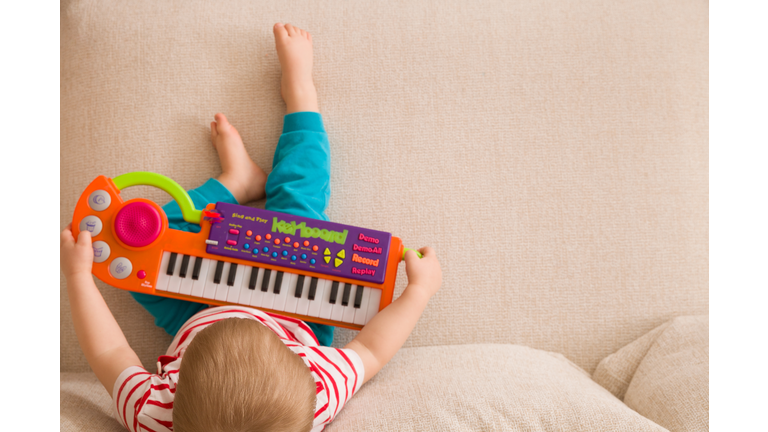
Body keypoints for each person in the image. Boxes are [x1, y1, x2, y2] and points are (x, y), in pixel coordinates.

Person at [61, 23, 442, 432]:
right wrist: (418, 291)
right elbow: (370, 349)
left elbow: (110, 351)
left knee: (142, 245)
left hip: (198, 310)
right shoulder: (319, 394)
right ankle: (301, 99)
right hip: (300, 310)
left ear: (174, 390)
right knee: (300, 202)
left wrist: (79, 275)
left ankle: (236, 181)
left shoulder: (155, 414)